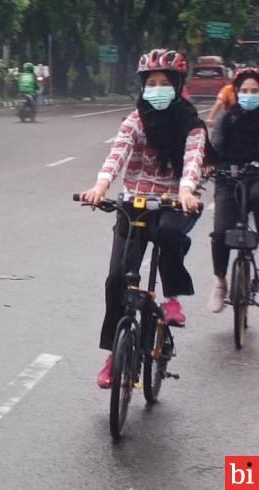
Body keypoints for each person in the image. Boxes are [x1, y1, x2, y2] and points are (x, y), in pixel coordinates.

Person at [79, 49, 207, 389]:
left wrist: (186, 190)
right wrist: (100, 186)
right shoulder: (136, 119)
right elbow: (118, 152)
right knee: (116, 279)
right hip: (133, 203)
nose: (158, 88)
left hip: (171, 202)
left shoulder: (191, 124)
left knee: (168, 235)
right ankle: (114, 355)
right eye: (152, 83)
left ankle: (173, 299)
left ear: (178, 86)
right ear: (143, 86)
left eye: (166, 83)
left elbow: (193, 160)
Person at [208, 68, 259, 313]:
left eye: (255, 91)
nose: (250, 95)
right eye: (245, 91)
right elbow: (215, 149)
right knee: (219, 233)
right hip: (229, 179)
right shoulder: (227, 119)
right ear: (237, 93)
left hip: (258, 179)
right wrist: (211, 167)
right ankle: (220, 282)